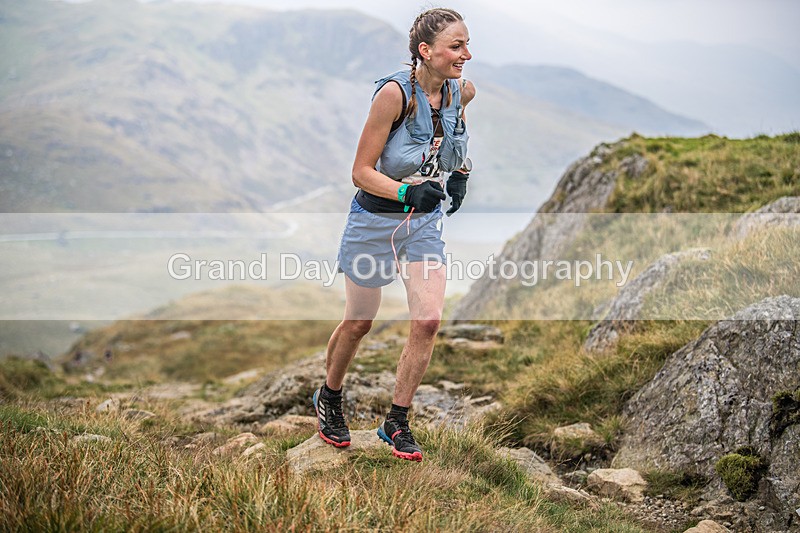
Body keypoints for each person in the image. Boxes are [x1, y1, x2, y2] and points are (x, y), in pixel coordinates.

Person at [312, 7, 476, 462]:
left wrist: (459, 172)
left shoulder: (462, 91)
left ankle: (396, 421)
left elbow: (456, 130)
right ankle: (329, 396)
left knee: (427, 321)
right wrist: (407, 191)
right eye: (456, 46)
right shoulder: (392, 95)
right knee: (360, 321)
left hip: (422, 225)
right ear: (426, 51)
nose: (467, 54)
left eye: (466, 44)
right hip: (373, 222)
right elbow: (360, 172)